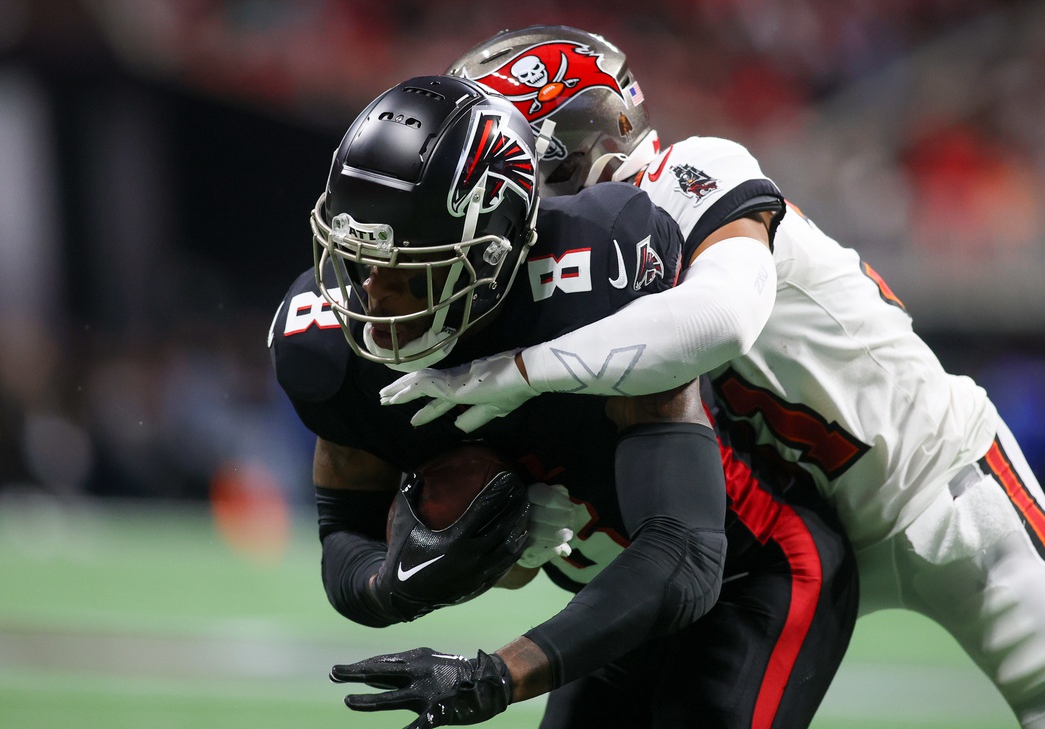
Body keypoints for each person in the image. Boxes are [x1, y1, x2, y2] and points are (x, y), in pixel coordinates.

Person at [380, 25, 1045, 728]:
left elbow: (721, 317)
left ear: (573, 147)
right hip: (790, 534)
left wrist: (520, 371)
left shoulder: (693, 175)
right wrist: (534, 527)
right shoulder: (558, 269)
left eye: (500, 160)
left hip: (939, 488)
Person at [270, 74, 857, 728]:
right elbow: (343, 532)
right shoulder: (328, 347)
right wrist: (396, 583)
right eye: (356, 261)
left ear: (488, 253)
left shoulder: (596, 273)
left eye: (406, 269)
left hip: (754, 566)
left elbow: (686, 553)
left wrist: (498, 674)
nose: (370, 296)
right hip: (609, 591)